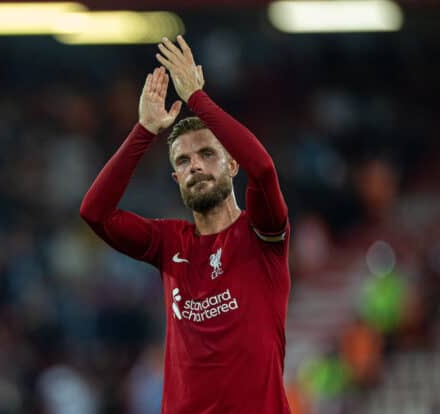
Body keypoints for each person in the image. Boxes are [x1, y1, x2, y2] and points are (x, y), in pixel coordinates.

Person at [80, 35, 291, 413]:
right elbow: (94, 212)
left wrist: (196, 98)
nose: (194, 165)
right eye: (182, 161)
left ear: (231, 164)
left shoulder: (261, 234)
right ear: (176, 179)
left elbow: (263, 169)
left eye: (207, 153)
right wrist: (145, 129)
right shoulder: (169, 242)